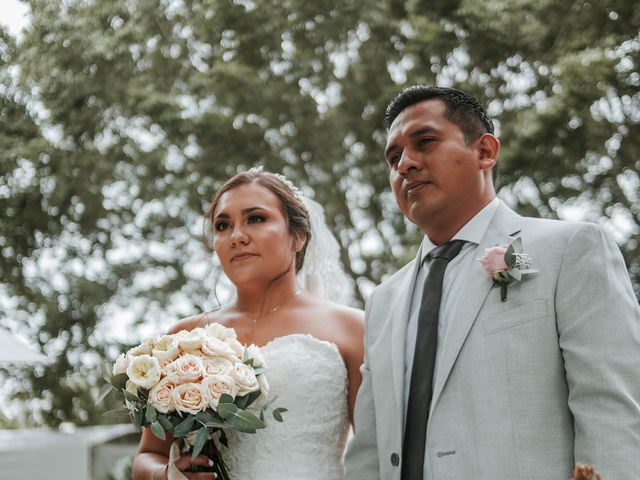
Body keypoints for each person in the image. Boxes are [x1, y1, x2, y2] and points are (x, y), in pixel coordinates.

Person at [344, 85, 640, 479]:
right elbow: (368, 450)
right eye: (394, 156)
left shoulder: (569, 249)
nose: (405, 165)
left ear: (484, 151)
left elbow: (611, 409)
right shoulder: (382, 301)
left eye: (425, 142)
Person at [132, 169, 364, 480]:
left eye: (255, 219)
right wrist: (166, 475)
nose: (237, 236)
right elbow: (148, 456)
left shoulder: (351, 327)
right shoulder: (184, 338)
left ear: (298, 236)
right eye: (223, 225)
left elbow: (376, 453)